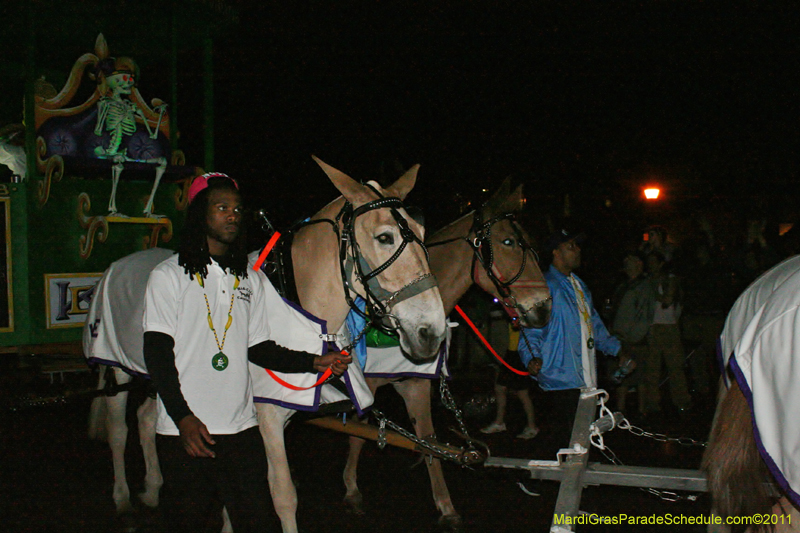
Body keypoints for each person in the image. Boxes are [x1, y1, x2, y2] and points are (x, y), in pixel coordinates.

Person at [143, 173, 350, 532]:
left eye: (237, 209)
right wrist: (183, 417)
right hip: (187, 434)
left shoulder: (250, 279)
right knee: (186, 523)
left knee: (258, 522)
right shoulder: (169, 276)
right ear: (199, 215)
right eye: (221, 207)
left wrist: (313, 361)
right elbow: (157, 354)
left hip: (241, 431)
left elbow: (258, 347)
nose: (232, 215)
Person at [518, 229, 623, 447]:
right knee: (563, 444)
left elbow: (593, 324)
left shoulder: (579, 285)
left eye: (577, 245)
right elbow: (532, 330)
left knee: (582, 442)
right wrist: (531, 357)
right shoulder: (544, 286)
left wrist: (618, 350)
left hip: (585, 378)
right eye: (571, 246)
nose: (578, 250)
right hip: (559, 380)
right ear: (556, 252)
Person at [642, 250, 692, 414]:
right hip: (653, 327)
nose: (651, 265)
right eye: (648, 262)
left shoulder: (668, 279)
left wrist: (654, 290)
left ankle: (682, 401)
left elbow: (668, 301)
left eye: (654, 262)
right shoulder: (647, 280)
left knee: (675, 367)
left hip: (669, 327)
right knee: (652, 368)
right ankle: (653, 403)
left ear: (661, 263)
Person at [608, 251, 654, 413]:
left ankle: (642, 414)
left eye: (631, 259)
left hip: (634, 340)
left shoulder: (644, 286)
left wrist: (634, 337)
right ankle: (619, 414)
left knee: (639, 376)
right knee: (620, 378)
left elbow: (645, 315)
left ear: (639, 264)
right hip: (619, 339)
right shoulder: (623, 285)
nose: (626, 261)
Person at [480, 319, 540, 440]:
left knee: (522, 393)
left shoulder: (525, 311)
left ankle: (532, 426)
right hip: (511, 352)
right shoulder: (512, 310)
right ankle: (499, 423)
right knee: (500, 388)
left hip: (521, 353)